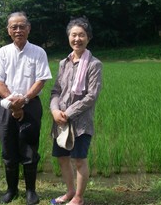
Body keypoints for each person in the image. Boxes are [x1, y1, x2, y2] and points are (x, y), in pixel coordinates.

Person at [0, 11, 52, 205]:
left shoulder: (38, 52)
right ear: (8, 30)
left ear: (29, 28)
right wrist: (12, 100)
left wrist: (23, 100)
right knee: (8, 149)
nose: (18, 30)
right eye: (14, 27)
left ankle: (31, 191)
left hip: (31, 105)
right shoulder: (2, 53)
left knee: (30, 149)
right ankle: (11, 189)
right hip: (7, 106)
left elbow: (41, 81)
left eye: (22, 26)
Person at [50, 17, 102, 205]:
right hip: (60, 121)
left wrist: (68, 113)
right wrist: (55, 111)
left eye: (82, 35)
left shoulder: (94, 64)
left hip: (81, 122)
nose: (77, 39)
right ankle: (70, 191)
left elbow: (91, 96)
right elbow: (56, 90)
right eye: (74, 35)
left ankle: (79, 198)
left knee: (79, 160)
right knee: (62, 158)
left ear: (88, 38)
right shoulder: (64, 63)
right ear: (68, 37)